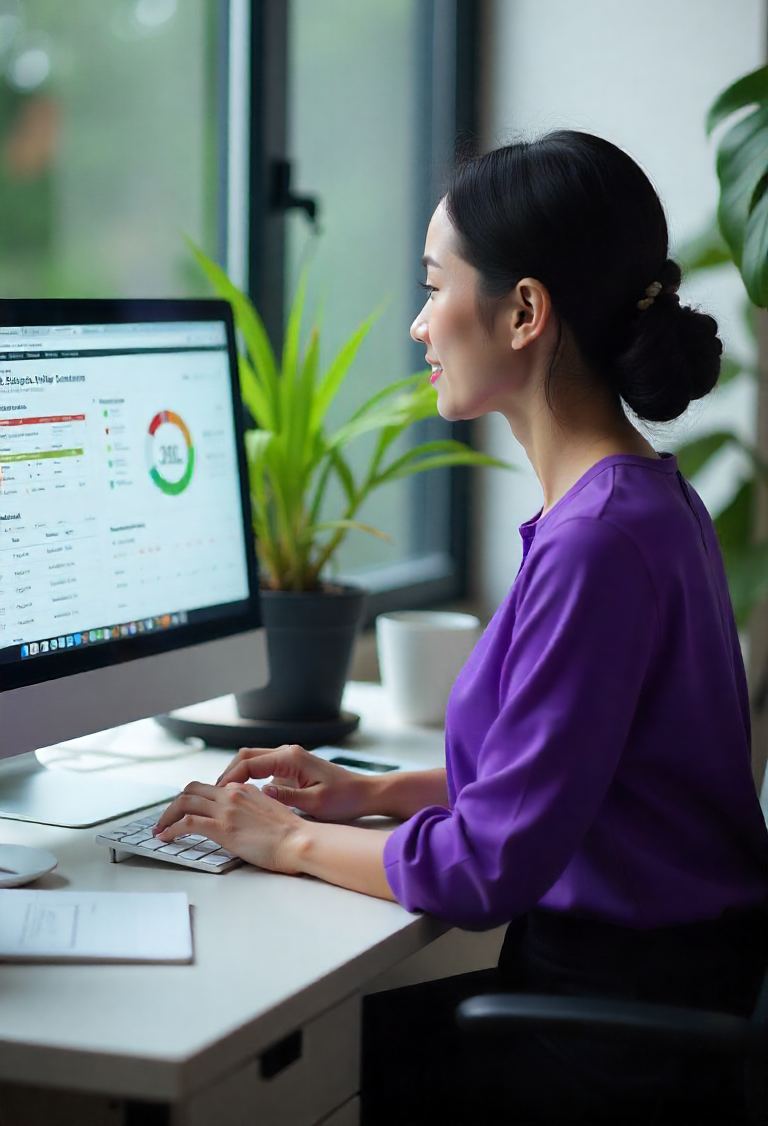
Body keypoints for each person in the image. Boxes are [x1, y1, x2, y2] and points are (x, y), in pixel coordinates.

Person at [155, 132, 768, 1125]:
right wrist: (371, 791)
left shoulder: (596, 543)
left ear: (524, 311)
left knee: (275, 1085)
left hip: (619, 1042)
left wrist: (288, 841)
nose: (416, 325)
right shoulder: (638, 501)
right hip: (657, 990)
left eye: (435, 285)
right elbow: (576, 766)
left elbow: (487, 868)